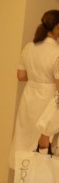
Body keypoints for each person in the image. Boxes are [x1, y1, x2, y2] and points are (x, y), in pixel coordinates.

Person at [14, 9, 59, 158]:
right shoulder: (57, 51)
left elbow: (21, 76)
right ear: (57, 27)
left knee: (24, 138)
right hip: (48, 99)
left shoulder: (29, 47)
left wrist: (37, 77)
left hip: (29, 97)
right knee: (44, 142)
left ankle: (22, 176)